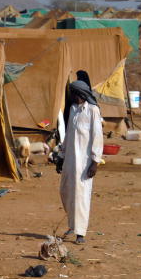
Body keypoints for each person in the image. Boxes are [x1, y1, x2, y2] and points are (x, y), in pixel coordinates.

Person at [56, 80, 103, 245]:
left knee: (81, 197)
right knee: (66, 192)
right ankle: (72, 225)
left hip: (84, 163)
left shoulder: (92, 110)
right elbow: (68, 135)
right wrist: (61, 157)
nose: (73, 96)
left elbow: (97, 136)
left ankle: (80, 233)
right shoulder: (73, 110)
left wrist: (95, 162)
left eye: (74, 93)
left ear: (81, 94)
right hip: (69, 160)